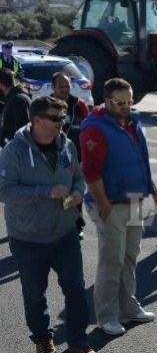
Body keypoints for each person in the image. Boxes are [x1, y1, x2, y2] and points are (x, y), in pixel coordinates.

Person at [0, 96, 94, 353]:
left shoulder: (66, 145)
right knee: (34, 293)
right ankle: (43, 338)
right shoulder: (14, 151)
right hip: (28, 238)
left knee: (76, 289)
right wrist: (45, 191)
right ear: (37, 120)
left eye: (63, 118)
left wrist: (77, 192)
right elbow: (4, 192)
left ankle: (79, 342)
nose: (61, 123)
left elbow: (78, 176)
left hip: (65, 232)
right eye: (55, 118)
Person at [80, 78, 157, 335]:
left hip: (134, 200)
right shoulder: (94, 129)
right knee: (111, 261)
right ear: (107, 101)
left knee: (129, 257)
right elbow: (91, 173)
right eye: (121, 102)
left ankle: (129, 308)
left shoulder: (133, 121)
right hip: (111, 204)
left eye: (129, 101)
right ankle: (107, 316)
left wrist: (153, 188)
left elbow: (139, 159)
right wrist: (104, 205)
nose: (127, 106)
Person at [52, 72, 90, 238]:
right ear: (53, 88)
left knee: (75, 190)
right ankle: (57, 223)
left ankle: (76, 224)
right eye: (61, 86)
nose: (65, 89)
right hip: (52, 157)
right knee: (58, 192)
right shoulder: (46, 105)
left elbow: (89, 129)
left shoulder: (79, 105)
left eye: (67, 86)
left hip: (75, 156)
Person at [0, 68, 31, 146]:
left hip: (17, 152)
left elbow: (22, 130)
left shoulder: (17, 100)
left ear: (1, 85)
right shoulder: (11, 99)